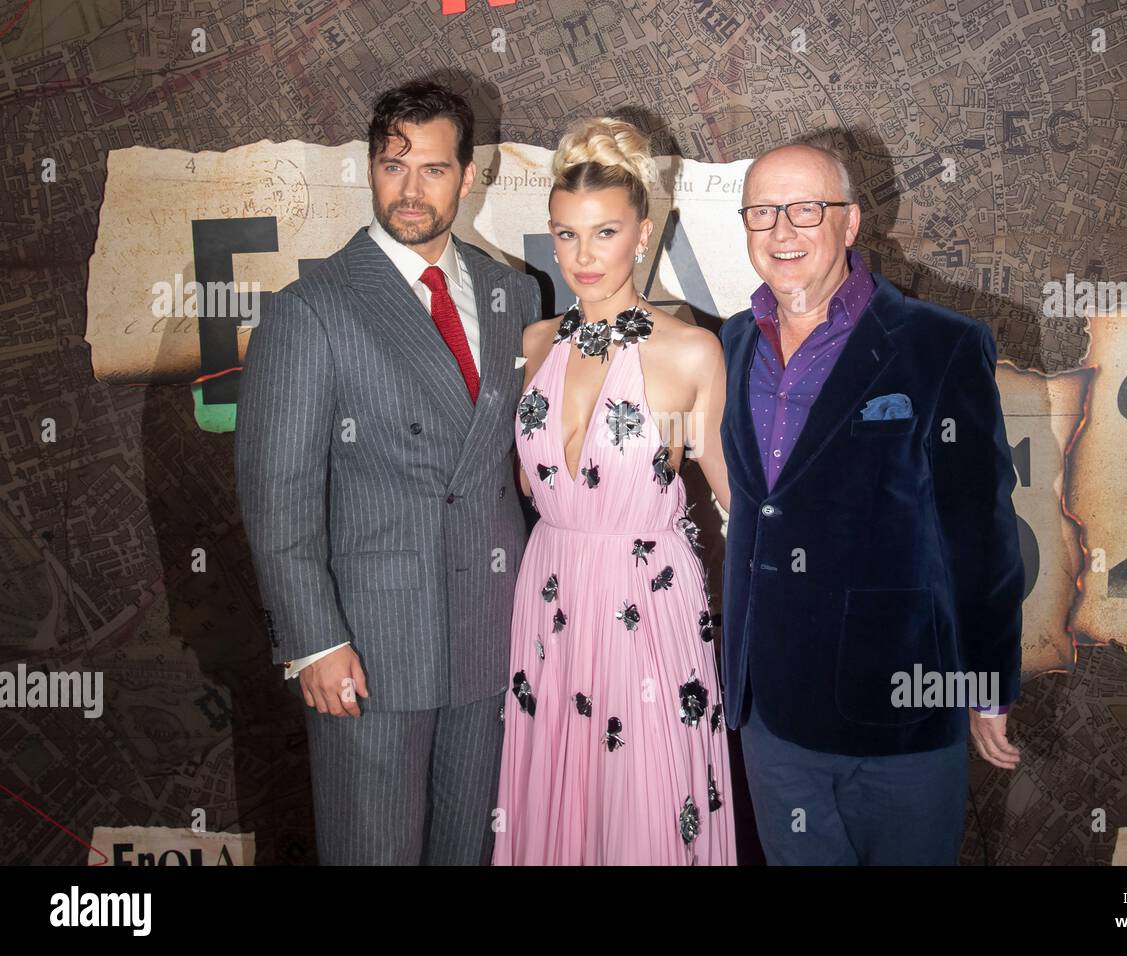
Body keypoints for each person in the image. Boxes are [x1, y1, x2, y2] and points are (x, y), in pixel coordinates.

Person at [234, 79, 540, 864]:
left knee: (468, 850)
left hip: (491, 630)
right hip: (370, 646)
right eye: (393, 165)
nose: (411, 190)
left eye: (433, 169)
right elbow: (277, 497)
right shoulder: (313, 306)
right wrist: (313, 640)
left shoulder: (514, 294)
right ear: (370, 169)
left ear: (469, 177)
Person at [718, 142, 1025, 865]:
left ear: (851, 222)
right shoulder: (730, 343)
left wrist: (987, 684)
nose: (783, 232)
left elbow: (978, 532)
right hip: (770, 710)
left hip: (899, 708)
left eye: (806, 210)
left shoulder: (941, 345)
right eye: (762, 212)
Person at [492, 118, 736, 864]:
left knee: (645, 810)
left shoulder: (689, 351)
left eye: (604, 233)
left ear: (643, 231)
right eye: (566, 235)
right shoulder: (533, 346)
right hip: (550, 597)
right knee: (558, 805)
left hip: (648, 608)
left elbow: (737, 503)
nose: (582, 256)